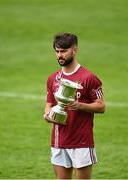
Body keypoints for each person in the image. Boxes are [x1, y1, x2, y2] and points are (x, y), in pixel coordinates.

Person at [44, 32, 105, 179]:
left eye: (63, 51)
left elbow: (101, 106)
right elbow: (49, 104)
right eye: (57, 51)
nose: (60, 55)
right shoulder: (53, 78)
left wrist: (80, 106)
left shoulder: (89, 78)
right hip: (59, 141)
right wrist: (48, 115)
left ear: (75, 50)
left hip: (81, 141)